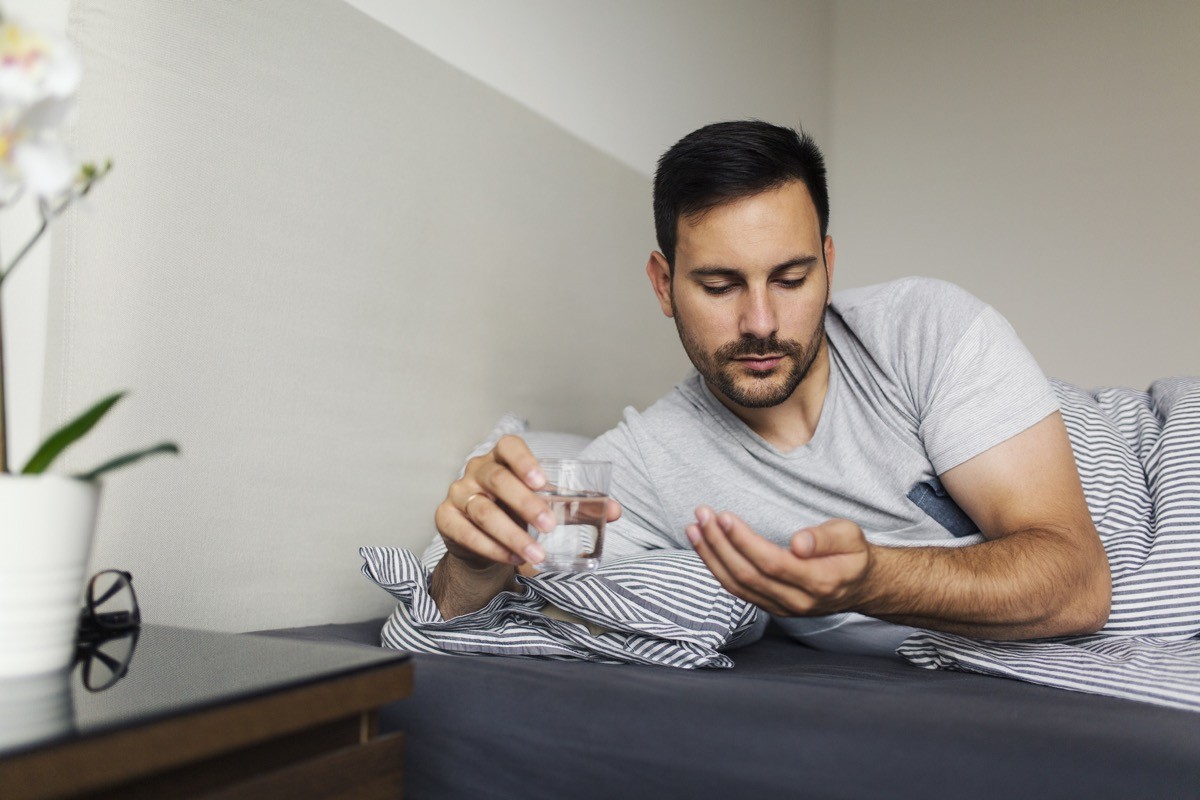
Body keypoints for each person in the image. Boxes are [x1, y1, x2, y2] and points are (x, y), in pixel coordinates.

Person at [430, 120, 1111, 655]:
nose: (760, 323)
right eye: (719, 285)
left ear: (829, 265)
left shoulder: (925, 329)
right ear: (664, 285)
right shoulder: (643, 467)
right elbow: (462, 614)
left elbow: (1079, 581)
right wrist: (472, 565)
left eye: (790, 280)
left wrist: (874, 580)